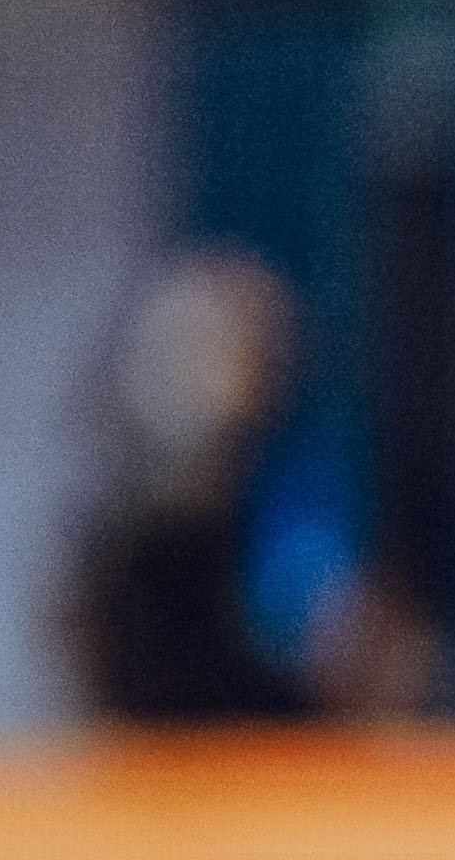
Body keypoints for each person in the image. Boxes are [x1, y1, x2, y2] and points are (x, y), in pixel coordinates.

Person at [54, 246, 432, 724]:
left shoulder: (297, 486)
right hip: (151, 742)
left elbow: (336, 631)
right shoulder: (118, 520)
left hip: (280, 743)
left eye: (223, 347)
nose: (205, 371)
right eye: (188, 348)